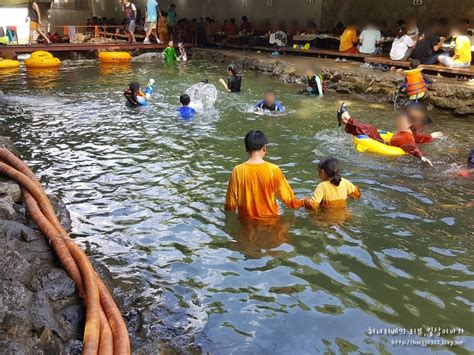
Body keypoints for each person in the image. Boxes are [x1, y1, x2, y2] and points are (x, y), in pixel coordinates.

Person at [224, 130, 303, 220]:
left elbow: (230, 205)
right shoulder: (273, 170)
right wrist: (304, 202)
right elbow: (289, 200)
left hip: (246, 221)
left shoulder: (237, 171)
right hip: (270, 221)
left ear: (246, 149)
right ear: (264, 148)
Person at [338, 103, 438, 165]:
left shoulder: (408, 136)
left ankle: (346, 117)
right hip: (388, 142)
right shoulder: (410, 131)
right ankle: (345, 119)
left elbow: (412, 145)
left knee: (367, 130)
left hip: (386, 145)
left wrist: (421, 157)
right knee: (370, 129)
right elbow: (417, 138)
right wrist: (431, 137)